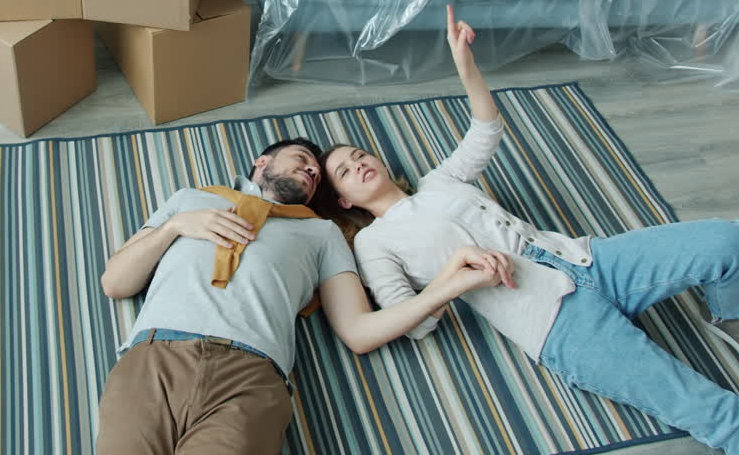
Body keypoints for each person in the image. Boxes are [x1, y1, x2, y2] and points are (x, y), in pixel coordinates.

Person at [317, 5, 739, 455]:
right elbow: (413, 322)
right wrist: (452, 278)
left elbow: (485, 129)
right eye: (344, 171)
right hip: (555, 323)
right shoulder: (373, 242)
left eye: (359, 154)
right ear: (345, 201)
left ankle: (733, 318)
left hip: (589, 261)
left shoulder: (437, 181)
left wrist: (465, 65)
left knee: (728, 240)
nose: (358, 163)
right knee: (707, 406)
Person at [97, 135, 512, 454]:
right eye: (302, 160)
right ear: (262, 162)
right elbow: (115, 282)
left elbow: (359, 331)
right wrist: (175, 227)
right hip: (153, 360)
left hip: (247, 379)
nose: (312, 170)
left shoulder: (321, 233)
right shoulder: (191, 198)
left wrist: (448, 285)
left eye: (317, 174)